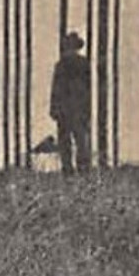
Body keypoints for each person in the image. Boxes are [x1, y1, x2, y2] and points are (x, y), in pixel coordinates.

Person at [50, 32, 92, 174]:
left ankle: (69, 168)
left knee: (69, 140)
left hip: (67, 108)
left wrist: (54, 108)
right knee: (78, 139)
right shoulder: (82, 63)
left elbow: (56, 89)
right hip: (76, 108)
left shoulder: (62, 64)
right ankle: (80, 168)